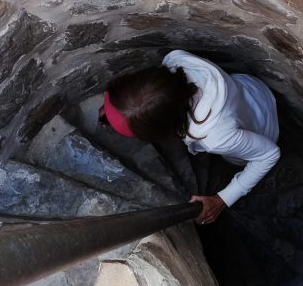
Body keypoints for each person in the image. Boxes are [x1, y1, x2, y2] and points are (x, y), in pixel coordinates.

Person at [99, 50, 280, 224]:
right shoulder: (176, 61)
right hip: (252, 89)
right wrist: (117, 108)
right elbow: (138, 102)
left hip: (262, 129)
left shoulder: (216, 138)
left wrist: (221, 200)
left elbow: (269, 155)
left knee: (235, 159)